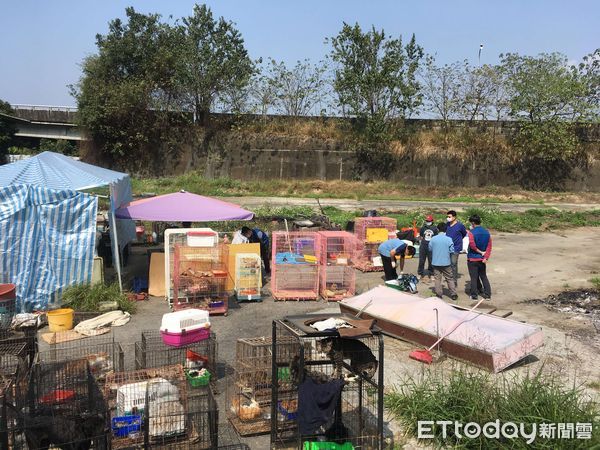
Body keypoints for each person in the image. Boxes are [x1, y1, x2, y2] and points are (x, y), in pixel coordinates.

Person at [428, 222, 458, 300]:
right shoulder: (449, 239)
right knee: (449, 278)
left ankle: (439, 294)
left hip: (436, 262)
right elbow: (452, 250)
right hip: (446, 262)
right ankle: (453, 294)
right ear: (446, 230)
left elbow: (430, 249)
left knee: (437, 279)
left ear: (437, 229)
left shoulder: (433, 239)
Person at [466, 215, 492, 300]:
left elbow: (472, 246)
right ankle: (487, 295)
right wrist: (486, 257)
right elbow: (489, 246)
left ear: (473, 223)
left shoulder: (472, 232)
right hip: (482, 259)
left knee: (473, 277)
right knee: (483, 276)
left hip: (472, 258)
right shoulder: (486, 232)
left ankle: (474, 295)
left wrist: (479, 252)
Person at [445, 210, 467, 284]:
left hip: (456, 247)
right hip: (447, 247)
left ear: (454, 217)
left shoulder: (460, 225)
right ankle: (449, 278)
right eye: (447, 216)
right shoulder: (447, 224)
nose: (448, 218)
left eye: (449, 217)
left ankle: (454, 280)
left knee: (453, 263)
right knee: (448, 263)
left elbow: (464, 233)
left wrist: (458, 240)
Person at [417, 215, 438, 280]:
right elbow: (421, 236)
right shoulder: (423, 228)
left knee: (431, 260)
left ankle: (431, 274)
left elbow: (436, 238)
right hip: (423, 245)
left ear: (432, 221)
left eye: (429, 221)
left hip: (431, 246)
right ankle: (420, 273)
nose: (427, 222)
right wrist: (421, 242)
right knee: (421, 260)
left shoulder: (434, 228)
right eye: (427, 221)